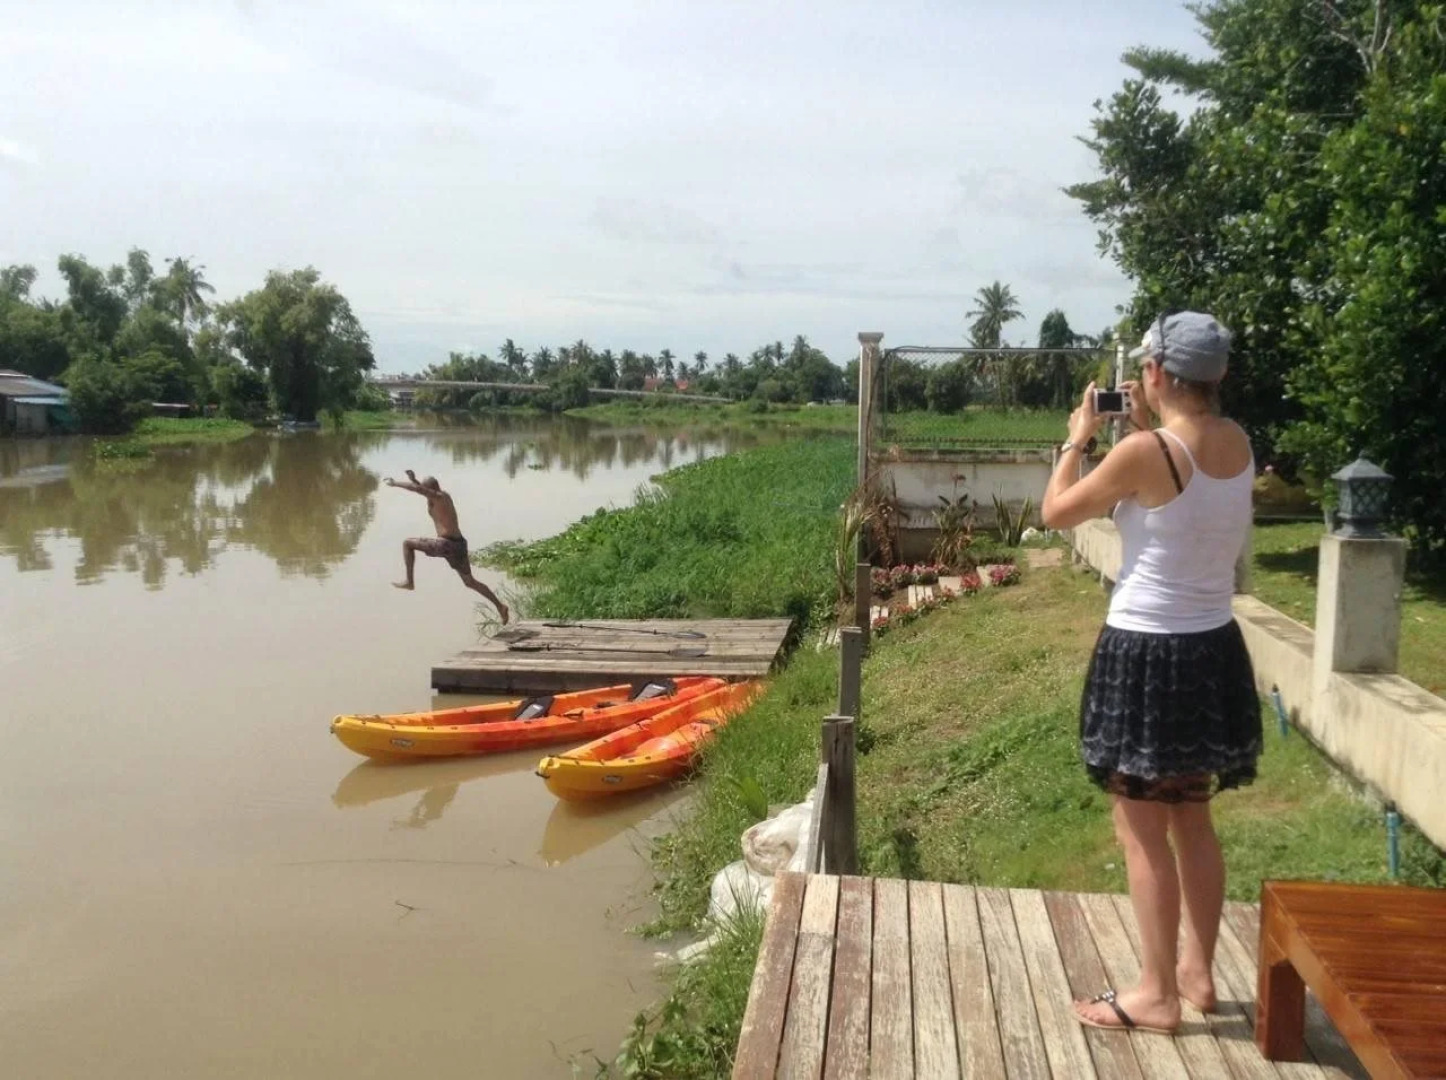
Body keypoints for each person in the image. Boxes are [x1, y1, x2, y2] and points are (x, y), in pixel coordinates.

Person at [1041, 311, 1260, 1036]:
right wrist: (1142, 427)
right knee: (1192, 818)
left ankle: (1155, 994)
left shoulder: (1144, 454)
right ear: (1217, 375)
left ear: (1159, 372)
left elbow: (1056, 512)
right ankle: (1196, 973)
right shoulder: (1237, 442)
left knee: (1140, 830)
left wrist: (1079, 438)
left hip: (1147, 651)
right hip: (1211, 646)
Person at [385, 469, 509, 625]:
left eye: (425, 489)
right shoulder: (438, 497)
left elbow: (420, 490)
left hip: (446, 544)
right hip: (459, 545)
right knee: (470, 582)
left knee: (407, 543)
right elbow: (421, 490)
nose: (425, 494)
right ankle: (500, 606)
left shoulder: (440, 497)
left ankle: (409, 582)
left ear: (433, 489)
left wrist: (395, 483)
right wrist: (414, 480)